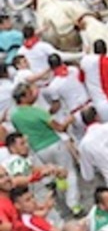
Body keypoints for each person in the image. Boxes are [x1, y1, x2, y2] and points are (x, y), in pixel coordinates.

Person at [9, 83, 80, 214]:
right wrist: (69, 120)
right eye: (30, 93)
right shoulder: (37, 111)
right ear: (23, 98)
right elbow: (59, 127)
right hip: (54, 143)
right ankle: (74, 204)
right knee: (69, 172)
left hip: (39, 150)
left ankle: (61, 195)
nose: (33, 95)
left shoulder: (14, 116)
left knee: (55, 172)